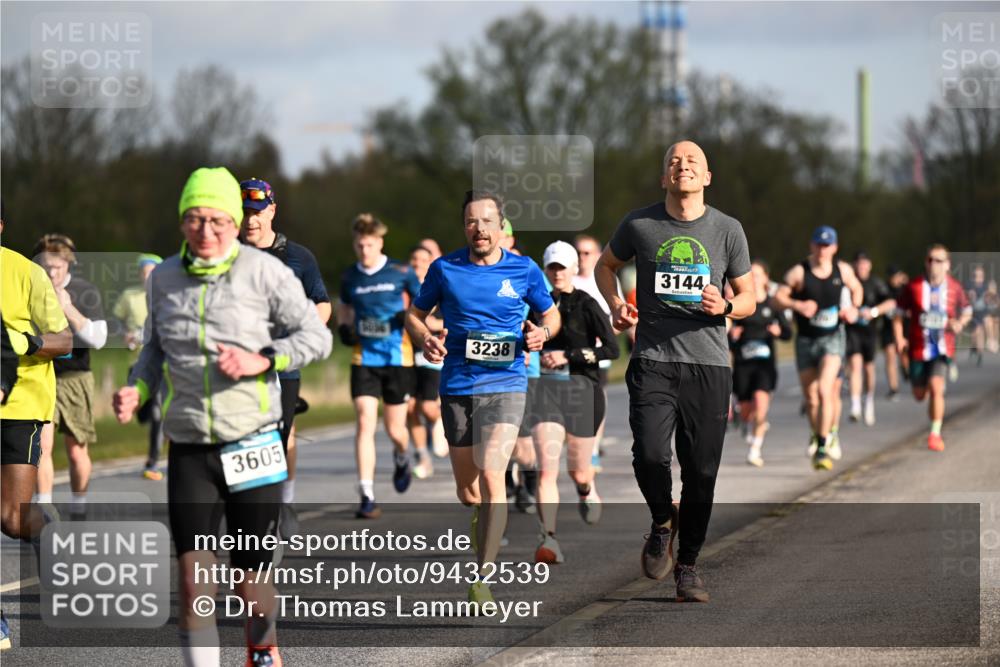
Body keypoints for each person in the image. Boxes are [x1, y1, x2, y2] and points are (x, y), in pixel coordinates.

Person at [112, 167, 331, 667]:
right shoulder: (164, 278)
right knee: (194, 583)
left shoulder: (266, 272)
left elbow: (317, 337)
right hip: (190, 445)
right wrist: (136, 388)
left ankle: (263, 649)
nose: (206, 231)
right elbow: (153, 349)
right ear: (181, 222)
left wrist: (265, 359)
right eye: (195, 219)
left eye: (218, 220)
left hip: (252, 440)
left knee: (249, 578)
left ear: (234, 222)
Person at [595, 140, 755, 603]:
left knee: (701, 471)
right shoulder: (639, 224)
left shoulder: (728, 230)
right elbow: (606, 266)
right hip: (653, 359)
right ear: (664, 177)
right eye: (674, 162)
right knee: (649, 454)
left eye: (692, 162)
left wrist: (726, 306)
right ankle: (663, 520)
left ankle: (688, 567)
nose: (682, 166)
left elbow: (750, 297)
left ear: (707, 177)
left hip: (708, 363)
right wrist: (615, 304)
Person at [406, 189, 560, 606]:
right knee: (468, 491)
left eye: (487, 221)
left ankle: (482, 576)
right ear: (464, 227)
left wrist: (543, 333)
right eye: (472, 221)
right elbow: (415, 316)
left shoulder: (524, 269)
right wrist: (423, 339)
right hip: (458, 385)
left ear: (500, 226)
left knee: (494, 473)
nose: (480, 229)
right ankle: (480, 513)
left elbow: (550, 314)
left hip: (507, 383)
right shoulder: (445, 269)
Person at [239, 177, 332, 533]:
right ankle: (250, 514)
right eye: (245, 212)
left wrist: (304, 334)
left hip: (282, 366)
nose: (250, 220)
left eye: (257, 212)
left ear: (272, 211)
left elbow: (322, 304)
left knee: (279, 440)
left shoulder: (298, 257)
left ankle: (282, 503)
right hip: (237, 366)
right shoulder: (227, 255)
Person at [1, 207, 73, 651]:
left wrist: (25, 342)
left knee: (12, 518)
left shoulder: (26, 273)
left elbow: (64, 340)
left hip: (21, 403)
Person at [532, 241, 619, 564]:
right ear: (545, 269)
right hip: (546, 393)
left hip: (583, 391)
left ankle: (586, 489)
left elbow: (611, 349)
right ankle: (548, 538)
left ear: (573, 269)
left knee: (579, 472)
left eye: (562, 267)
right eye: (551, 267)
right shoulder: (535, 305)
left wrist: (568, 356)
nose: (557, 273)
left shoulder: (587, 304)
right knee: (546, 470)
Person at [337, 213, 421, 519]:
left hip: (398, 357)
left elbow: (423, 304)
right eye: (360, 245)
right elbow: (344, 307)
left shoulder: (401, 272)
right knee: (365, 422)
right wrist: (344, 327)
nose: (364, 250)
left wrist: (407, 317)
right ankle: (367, 493)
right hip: (365, 358)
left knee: (395, 429)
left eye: (369, 245)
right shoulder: (350, 277)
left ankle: (402, 455)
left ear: (380, 243)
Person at [33, 234, 109, 519]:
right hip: (41, 375)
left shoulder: (84, 291)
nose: (51, 272)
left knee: (76, 450)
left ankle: (79, 506)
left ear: (68, 264)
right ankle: (44, 510)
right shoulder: (31, 288)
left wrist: (67, 307)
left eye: (57, 266)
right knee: (42, 447)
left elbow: (99, 339)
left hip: (75, 377)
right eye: (45, 266)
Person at [775, 225, 862, 471]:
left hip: (832, 338)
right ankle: (818, 434)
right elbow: (777, 298)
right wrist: (798, 306)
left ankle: (823, 444)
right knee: (811, 398)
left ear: (834, 247)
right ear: (812, 245)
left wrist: (853, 308)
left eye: (827, 245)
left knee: (825, 390)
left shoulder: (843, 270)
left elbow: (857, 288)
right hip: (805, 340)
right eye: (819, 245)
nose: (822, 250)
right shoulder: (799, 272)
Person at [893, 244, 972, 452]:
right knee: (920, 395)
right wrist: (899, 337)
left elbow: (967, 310)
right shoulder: (914, 286)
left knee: (937, 388)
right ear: (925, 263)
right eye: (930, 260)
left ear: (947, 265)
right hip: (918, 349)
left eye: (938, 260)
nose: (933, 264)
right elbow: (898, 314)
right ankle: (925, 388)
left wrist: (960, 323)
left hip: (943, 349)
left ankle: (935, 434)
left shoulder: (954, 287)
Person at [729, 259, 791, 467]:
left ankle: (755, 450)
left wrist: (779, 331)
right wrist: (732, 336)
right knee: (747, 410)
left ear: (766, 278)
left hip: (765, 365)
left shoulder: (773, 304)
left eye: (758, 275)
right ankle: (746, 421)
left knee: (761, 403)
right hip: (743, 364)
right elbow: (728, 335)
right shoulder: (742, 302)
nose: (754, 279)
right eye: (751, 275)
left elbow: (788, 333)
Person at [112, 252, 165, 480]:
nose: (147, 276)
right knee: (143, 414)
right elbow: (114, 321)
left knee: (157, 413)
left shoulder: (165, 294)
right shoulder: (129, 296)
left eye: (151, 272)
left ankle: (152, 462)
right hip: (136, 362)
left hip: (160, 363)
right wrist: (124, 334)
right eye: (144, 273)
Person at [572, 234, 620, 472]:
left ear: (598, 255)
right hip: (570, 355)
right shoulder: (567, 279)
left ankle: (592, 450)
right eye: (578, 252)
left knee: (596, 401)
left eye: (587, 252)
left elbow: (617, 318)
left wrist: (604, 334)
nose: (582, 257)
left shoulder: (605, 280)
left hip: (597, 355)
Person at [406, 243, 445, 474]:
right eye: (414, 260)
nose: (418, 264)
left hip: (431, 353)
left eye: (423, 260)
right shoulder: (402, 288)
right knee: (410, 407)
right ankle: (422, 457)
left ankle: (443, 421)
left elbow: (454, 318)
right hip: (405, 354)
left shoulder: (439, 286)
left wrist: (432, 324)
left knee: (429, 407)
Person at [845, 251, 895, 426]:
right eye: (858, 263)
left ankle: (869, 400)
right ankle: (855, 405)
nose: (862, 267)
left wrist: (874, 312)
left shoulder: (876, 283)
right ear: (854, 265)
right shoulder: (848, 282)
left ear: (870, 265)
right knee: (855, 365)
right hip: (852, 330)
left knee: (868, 368)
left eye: (864, 263)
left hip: (870, 331)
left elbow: (890, 302)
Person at [882, 265, 911, 399]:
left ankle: (905, 368)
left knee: (905, 353)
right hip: (888, 328)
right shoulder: (884, 290)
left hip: (904, 326)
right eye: (892, 276)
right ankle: (893, 388)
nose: (895, 279)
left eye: (897, 276)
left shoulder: (906, 289)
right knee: (890, 357)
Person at [967, 264, 991, 365]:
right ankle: (973, 347)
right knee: (975, 334)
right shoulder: (970, 285)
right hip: (973, 313)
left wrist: (989, 297)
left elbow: (988, 300)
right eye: (977, 275)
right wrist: (971, 295)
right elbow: (969, 297)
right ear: (974, 276)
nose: (979, 278)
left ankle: (980, 353)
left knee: (981, 331)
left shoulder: (985, 286)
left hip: (983, 312)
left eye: (981, 275)